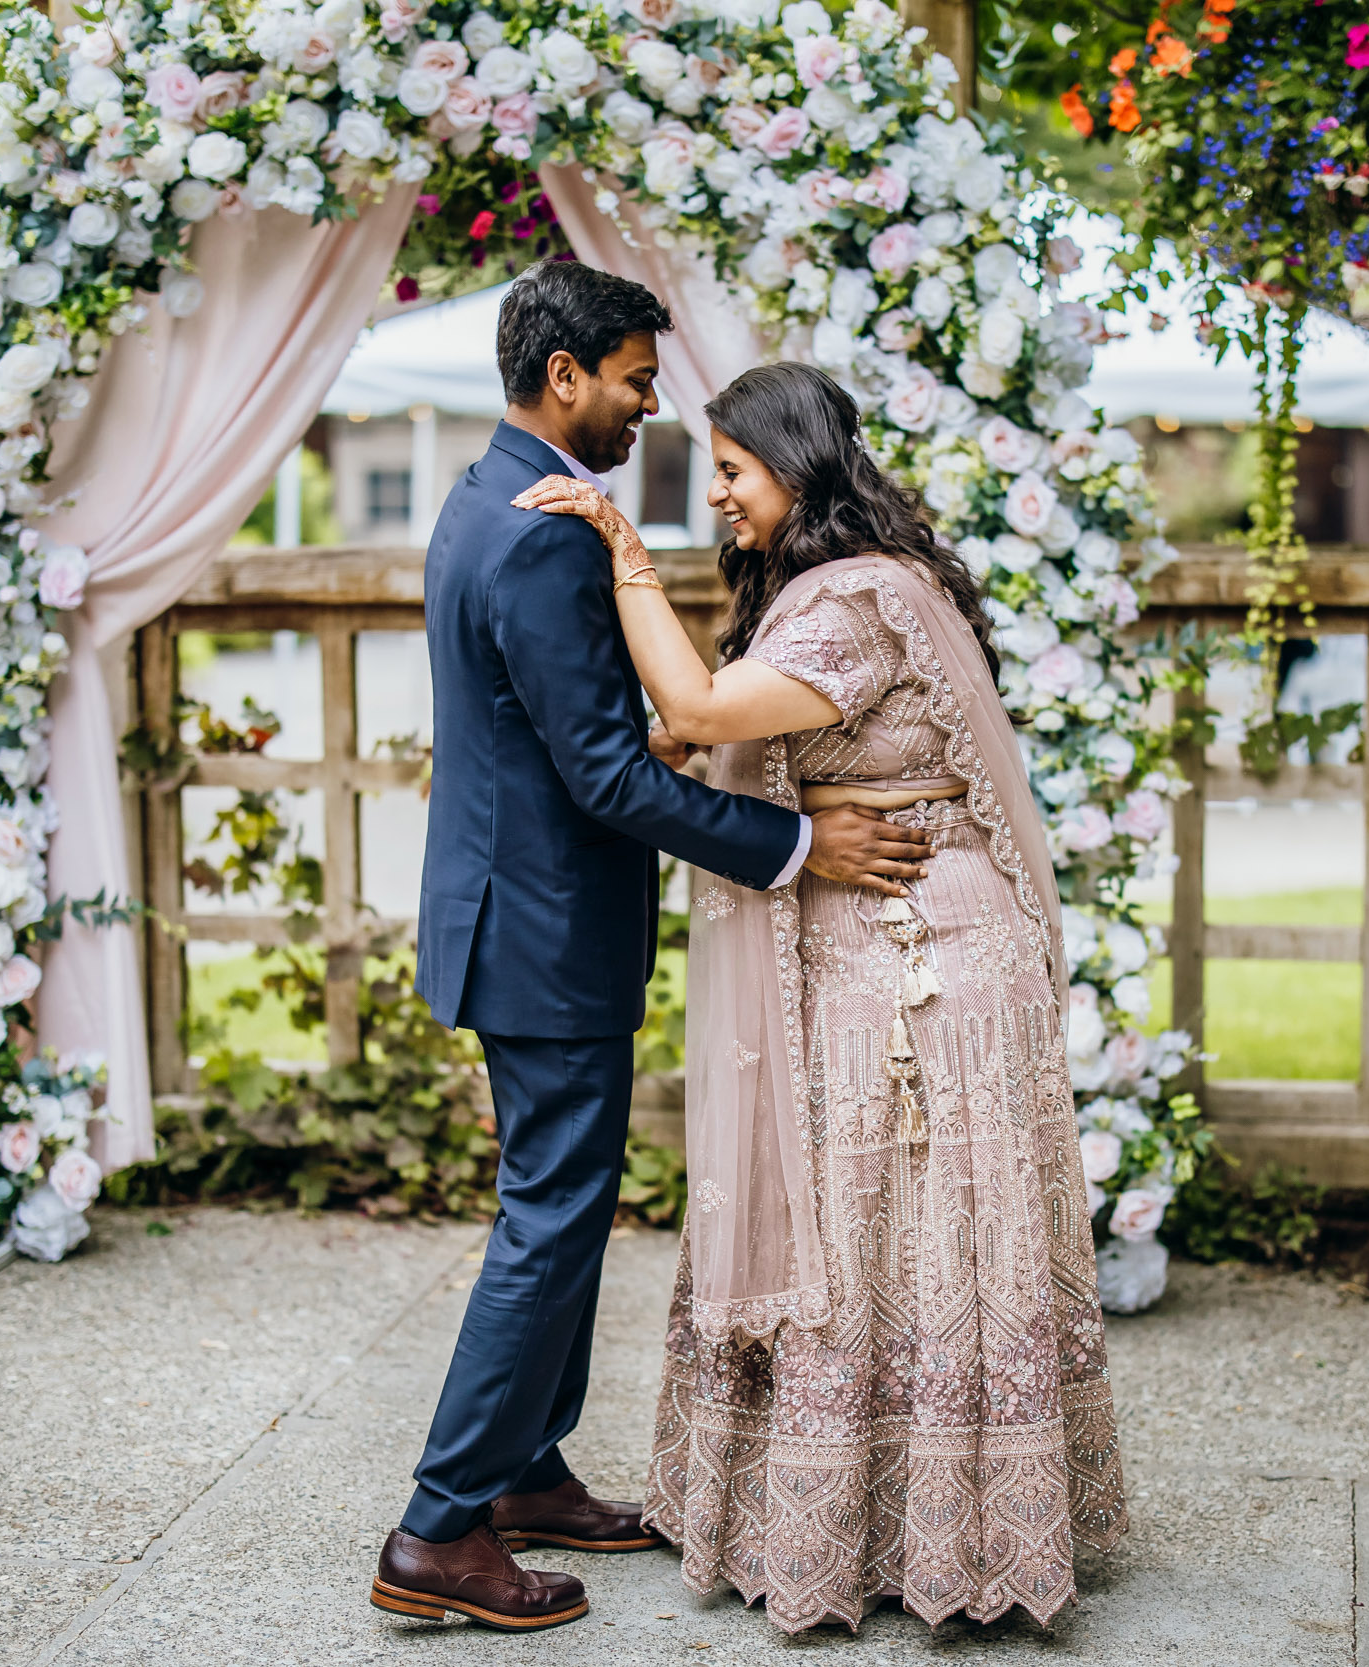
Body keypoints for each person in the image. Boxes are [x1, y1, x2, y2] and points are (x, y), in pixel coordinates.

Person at [514, 361, 1127, 1633]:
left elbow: (688, 707)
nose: (719, 495)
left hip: (924, 960)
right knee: (863, 1235)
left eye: (731, 470)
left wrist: (622, 548)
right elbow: (704, 733)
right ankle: (860, 1522)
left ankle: (951, 1536)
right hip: (865, 939)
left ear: (795, 464)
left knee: (901, 1235)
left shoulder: (853, 599)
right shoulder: (822, 594)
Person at [370, 265, 938, 1634]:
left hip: (521, 917)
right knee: (550, 1219)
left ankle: (524, 1470)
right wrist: (800, 847)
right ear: (564, 375)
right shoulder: (547, 533)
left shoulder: (484, 495)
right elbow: (610, 778)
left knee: (558, 1207)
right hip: (544, 932)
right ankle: (439, 1525)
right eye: (632, 378)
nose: (646, 405)